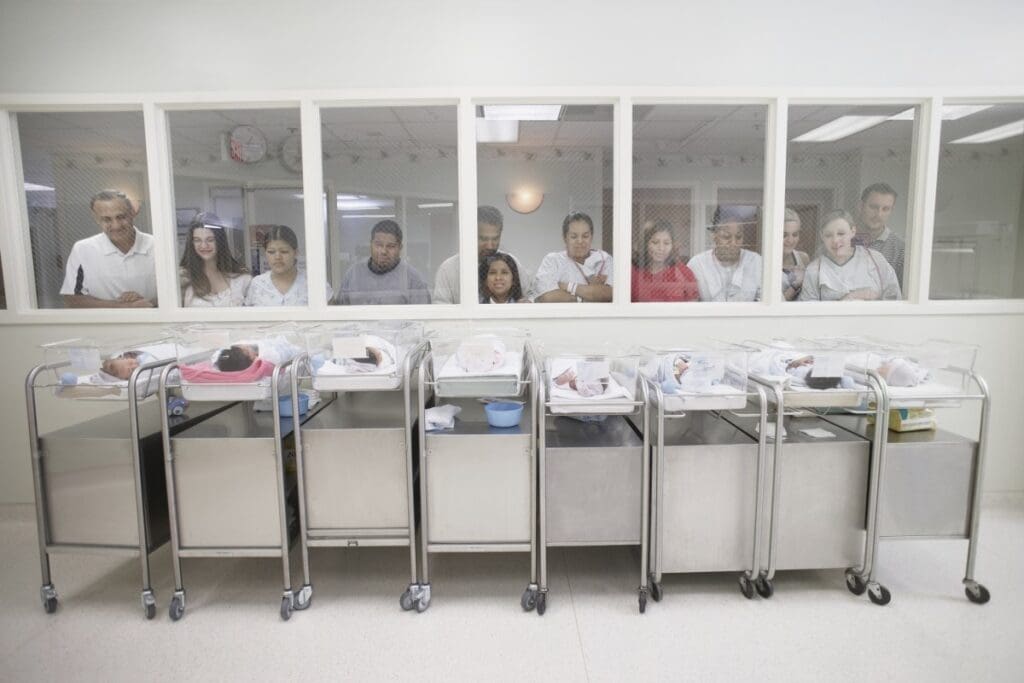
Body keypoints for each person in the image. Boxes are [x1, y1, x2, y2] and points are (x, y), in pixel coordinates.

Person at [60, 189, 157, 308]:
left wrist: (150, 303)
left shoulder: (157, 246)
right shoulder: (82, 249)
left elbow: (176, 291)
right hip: (105, 321)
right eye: (107, 219)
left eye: (121, 217)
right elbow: (73, 299)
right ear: (96, 218)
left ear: (132, 213)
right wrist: (125, 307)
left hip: (154, 319)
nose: (116, 226)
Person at [434, 205, 531, 304]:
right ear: (470, 235)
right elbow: (441, 308)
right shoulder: (448, 269)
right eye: (483, 239)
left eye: (495, 239)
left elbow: (529, 295)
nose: (490, 246)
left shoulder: (511, 262)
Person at [799, 209, 901, 301]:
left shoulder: (875, 259)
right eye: (828, 235)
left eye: (841, 234)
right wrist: (848, 299)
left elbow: (894, 298)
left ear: (853, 231)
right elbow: (809, 311)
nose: (835, 240)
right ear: (822, 236)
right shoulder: (814, 270)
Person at [336, 219, 431, 305]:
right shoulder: (353, 275)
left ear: (400, 248)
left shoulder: (413, 280)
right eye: (378, 245)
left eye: (391, 246)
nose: (383, 251)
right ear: (371, 244)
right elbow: (339, 313)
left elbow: (423, 317)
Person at [530, 211, 613, 303]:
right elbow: (547, 297)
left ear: (591, 237)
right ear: (565, 238)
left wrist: (568, 286)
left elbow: (610, 293)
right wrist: (589, 296)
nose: (580, 241)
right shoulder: (553, 260)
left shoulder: (604, 259)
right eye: (574, 237)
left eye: (585, 236)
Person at [687, 205, 763, 302]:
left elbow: (768, 302)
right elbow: (689, 304)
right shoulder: (698, 264)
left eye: (738, 237)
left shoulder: (756, 262)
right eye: (726, 237)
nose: (733, 243)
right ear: (714, 236)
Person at [179, 212, 251, 307]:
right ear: (191, 244)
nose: (204, 246)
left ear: (220, 241)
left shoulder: (242, 279)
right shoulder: (182, 278)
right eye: (197, 240)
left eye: (210, 240)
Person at [245, 225, 324, 306]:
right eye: (271, 252)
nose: (277, 257)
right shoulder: (257, 284)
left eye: (284, 251)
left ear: (295, 252)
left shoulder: (313, 282)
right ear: (265, 253)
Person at [630, 220, 699, 302]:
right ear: (646, 244)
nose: (661, 248)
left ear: (673, 246)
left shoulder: (684, 272)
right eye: (655, 242)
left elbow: (693, 305)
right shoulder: (632, 272)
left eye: (666, 243)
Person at [855, 183, 906, 290]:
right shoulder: (842, 240)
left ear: (891, 211)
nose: (879, 214)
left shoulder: (900, 249)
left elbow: (903, 293)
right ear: (860, 206)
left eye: (885, 209)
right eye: (873, 207)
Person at [781, 208, 810, 301]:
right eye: (784, 235)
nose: (790, 240)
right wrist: (795, 285)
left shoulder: (803, 258)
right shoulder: (764, 262)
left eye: (795, 234)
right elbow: (774, 304)